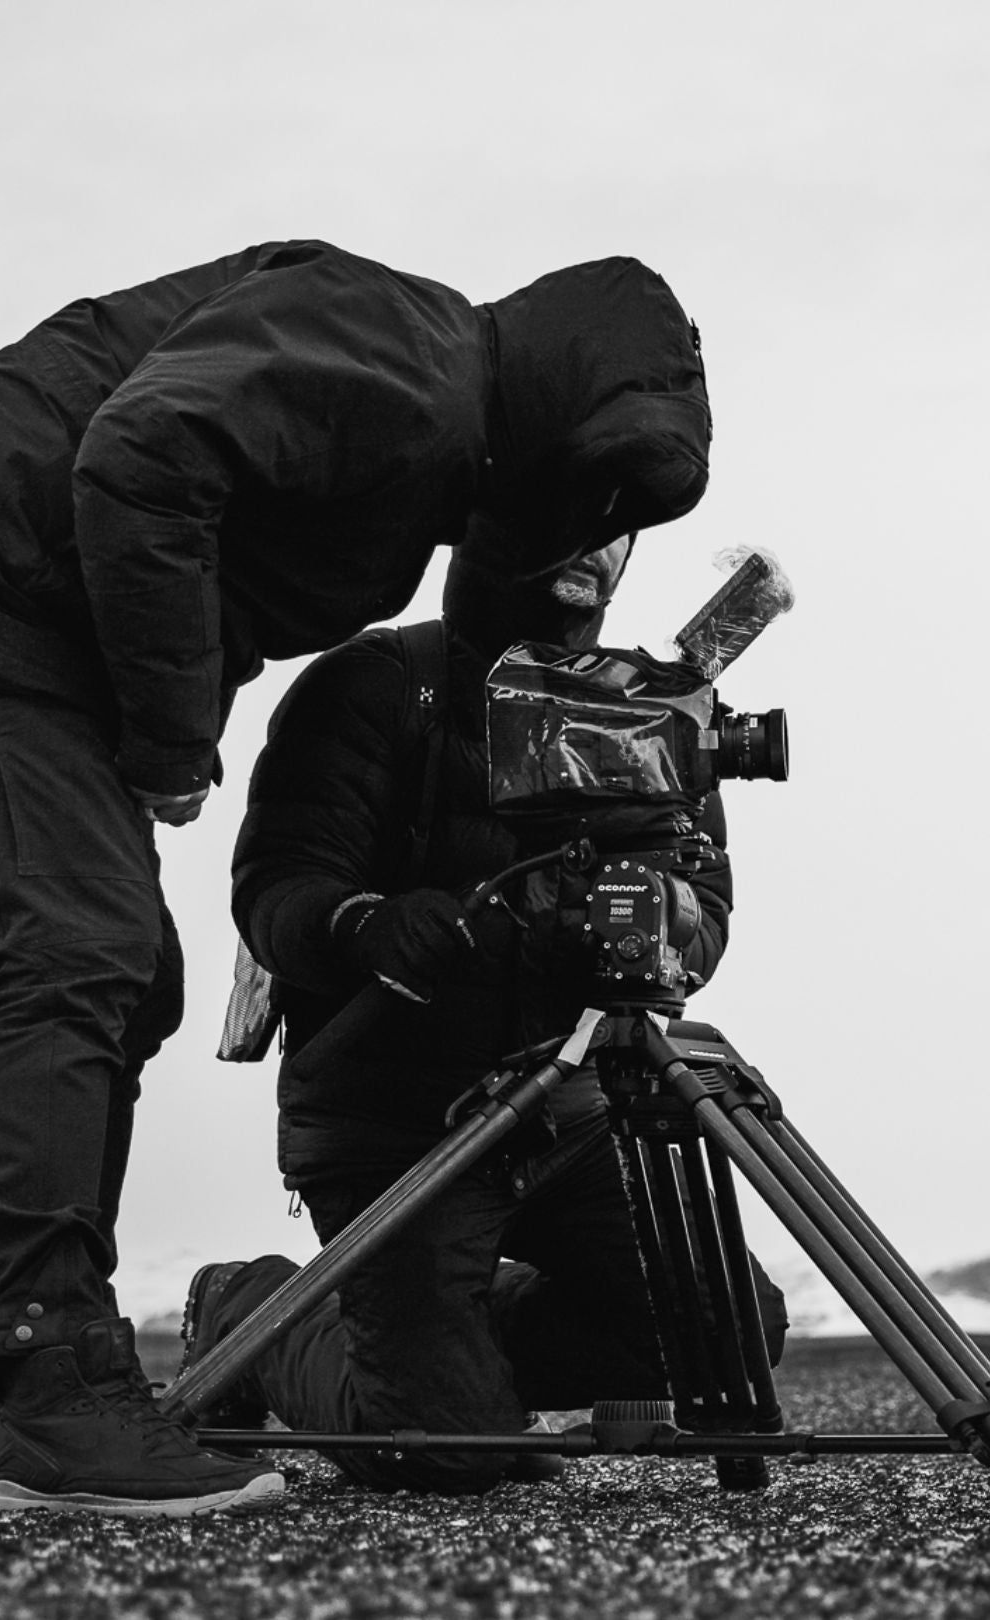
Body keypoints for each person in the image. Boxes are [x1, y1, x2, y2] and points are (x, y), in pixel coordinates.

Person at [0, 242, 711, 1516]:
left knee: (121, 973)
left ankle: (102, 1384)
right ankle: (60, 1395)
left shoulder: (432, 447)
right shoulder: (407, 365)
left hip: (34, 625)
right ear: (569, 410)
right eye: (593, 491)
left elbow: (214, 550)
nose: (586, 533)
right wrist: (174, 747)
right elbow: (144, 458)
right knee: (80, 961)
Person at [178, 540, 785, 1496]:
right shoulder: (381, 684)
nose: (592, 547)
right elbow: (277, 888)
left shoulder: (646, 717)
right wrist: (367, 927)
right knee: (444, 1453)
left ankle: (449, 1350)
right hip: (394, 1119)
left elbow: (702, 920)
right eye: (569, 520)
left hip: (566, 1104)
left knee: (732, 1333)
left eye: (616, 533)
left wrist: (656, 921)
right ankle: (251, 1309)